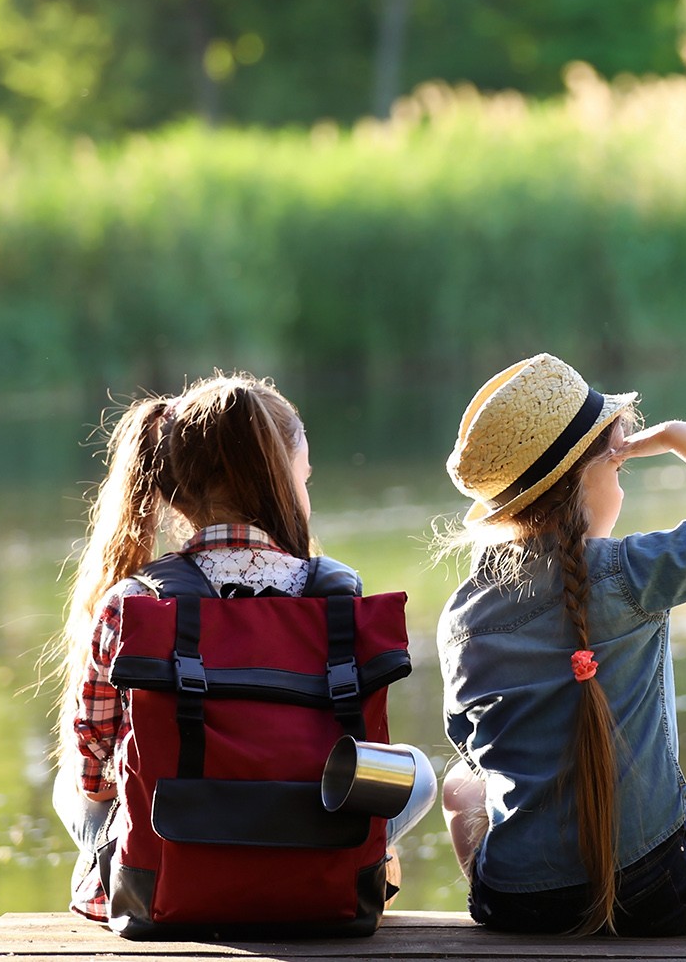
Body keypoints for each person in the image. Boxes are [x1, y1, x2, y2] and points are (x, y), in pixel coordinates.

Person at [437, 353, 686, 936]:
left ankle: (575, 895)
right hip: (650, 890)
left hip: (511, 903)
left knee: (460, 785)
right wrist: (683, 439)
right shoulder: (630, 571)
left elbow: (470, 744)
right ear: (588, 478)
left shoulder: (463, 612)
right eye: (618, 469)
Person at [47, 372, 436, 922]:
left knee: (71, 784)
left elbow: (94, 768)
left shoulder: (134, 603)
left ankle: (109, 883)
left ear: (176, 493)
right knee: (415, 771)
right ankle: (361, 865)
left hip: (174, 868)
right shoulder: (338, 601)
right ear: (279, 483)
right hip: (317, 848)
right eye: (304, 478)